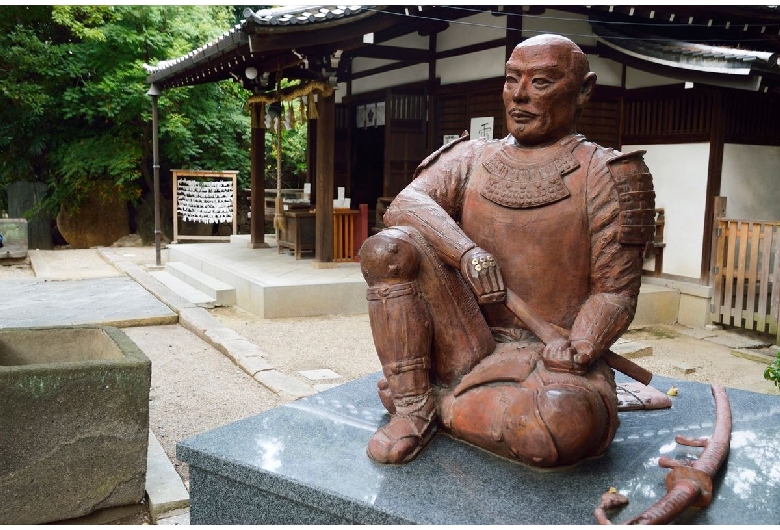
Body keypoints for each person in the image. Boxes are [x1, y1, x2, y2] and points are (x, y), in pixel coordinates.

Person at [358, 34, 655, 467]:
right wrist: (465, 252)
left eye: (541, 83)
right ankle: (416, 408)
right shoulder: (471, 157)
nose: (519, 95)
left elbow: (615, 293)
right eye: (512, 80)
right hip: (463, 339)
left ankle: (427, 399)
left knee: (559, 425)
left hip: (549, 360)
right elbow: (405, 205)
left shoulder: (608, 173)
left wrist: (583, 345)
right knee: (389, 248)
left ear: (583, 90)